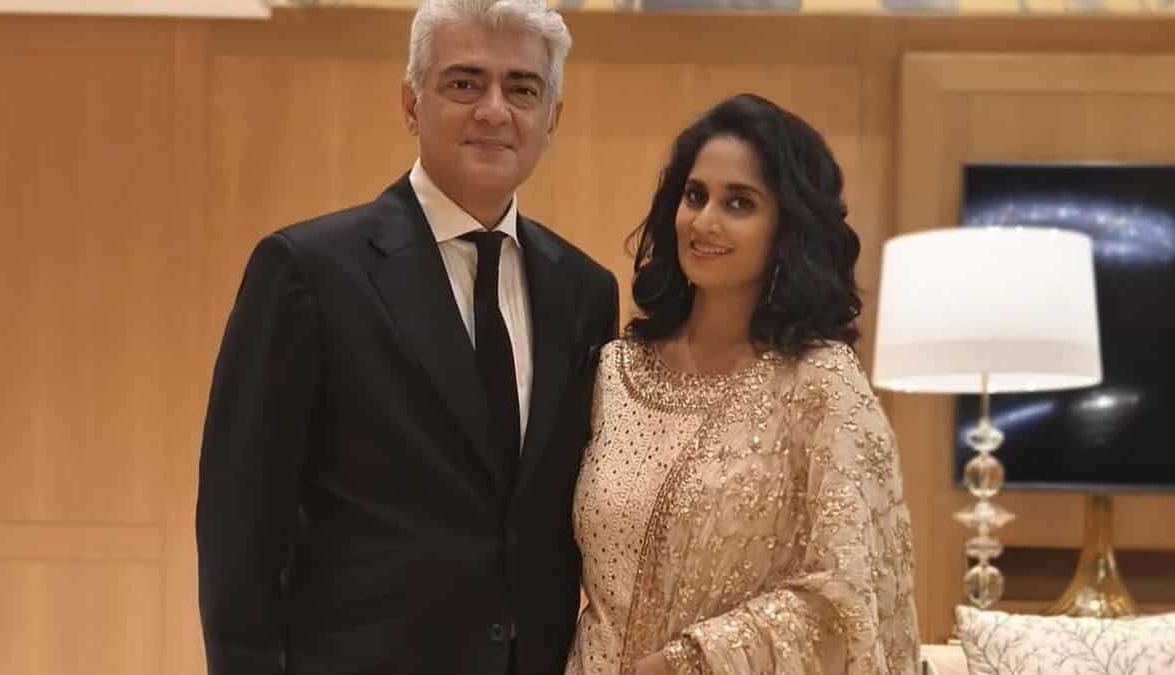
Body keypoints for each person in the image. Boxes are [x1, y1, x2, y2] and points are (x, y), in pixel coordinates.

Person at [195, 0, 618, 673]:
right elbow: (239, 521)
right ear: (411, 104)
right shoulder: (309, 272)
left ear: (552, 119)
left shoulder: (585, 293)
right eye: (464, 82)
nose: (494, 110)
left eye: (522, 89)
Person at [565, 94, 919, 675]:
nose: (705, 222)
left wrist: (687, 663)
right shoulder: (616, 372)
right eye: (695, 195)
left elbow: (849, 596)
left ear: (787, 228)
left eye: (739, 203)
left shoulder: (821, 385)